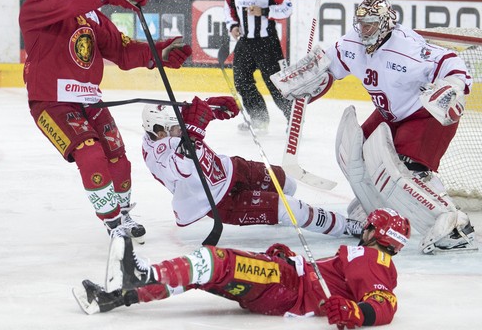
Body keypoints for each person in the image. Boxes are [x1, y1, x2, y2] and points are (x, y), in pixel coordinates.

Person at [270, 0, 477, 254]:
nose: (364, 29)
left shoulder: (407, 48)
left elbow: (451, 61)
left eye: (370, 23)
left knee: (408, 170)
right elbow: (329, 66)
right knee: (358, 154)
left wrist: (454, 85)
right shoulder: (353, 43)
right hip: (390, 114)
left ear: (386, 23)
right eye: (361, 23)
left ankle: (456, 225)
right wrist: (309, 77)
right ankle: (378, 205)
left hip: (425, 116)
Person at [18, 0, 192, 241]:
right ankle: (112, 222)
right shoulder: (38, 3)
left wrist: (158, 54)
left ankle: (123, 212)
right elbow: (71, 3)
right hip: (52, 102)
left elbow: (121, 50)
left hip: (90, 100)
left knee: (118, 158)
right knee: (91, 154)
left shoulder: (92, 15)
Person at [73, 208, 411, 330]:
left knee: (213, 262)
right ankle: (118, 296)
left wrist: (355, 311)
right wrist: (292, 259)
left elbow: (384, 303)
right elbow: (336, 277)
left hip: (285, 286)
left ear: (376, 233)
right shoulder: (367, 259)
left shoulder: (373, 259)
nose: (363, 229)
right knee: (206, 272)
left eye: (369, 226)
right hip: (285, 277)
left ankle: (139, 276)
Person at [140, 97, 363, 238]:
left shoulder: (165, 129)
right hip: (220, 202)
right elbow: (184, 166)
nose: (182, 130)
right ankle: (346, 227)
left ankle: (273, 212)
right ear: (160, 133)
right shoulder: (156, 156)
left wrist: (212, 108)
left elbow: (192, 118)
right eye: (178, 128)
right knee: (291, 208)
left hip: (231, 169)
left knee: (287, 182)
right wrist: (194, 130)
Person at [224, 0, 293, 133]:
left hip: (267, 42)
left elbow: (287, 8)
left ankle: (293, 120)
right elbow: (229, 9)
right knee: (242, 81)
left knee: (276, 82)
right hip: (245, 42)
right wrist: (233, 26)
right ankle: (259, 119)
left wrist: (264, 11)